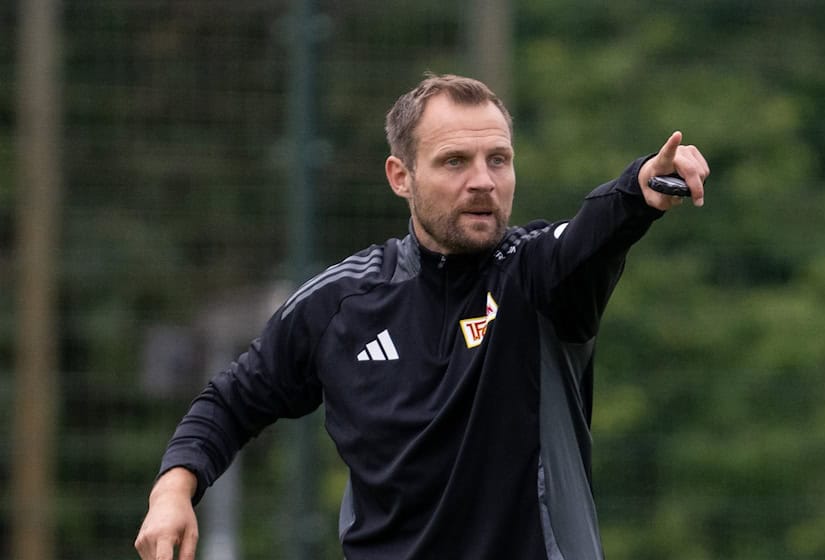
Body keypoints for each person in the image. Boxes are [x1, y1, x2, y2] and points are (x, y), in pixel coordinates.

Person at [134, 73, 709, 560]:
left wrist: (640, 190)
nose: (483, 180)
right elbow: (232, 400)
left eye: (498, 160)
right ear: (400, 177)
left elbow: (593, 233)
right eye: (455, 161)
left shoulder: (538, 276)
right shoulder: (343, 302)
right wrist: (172, 492)